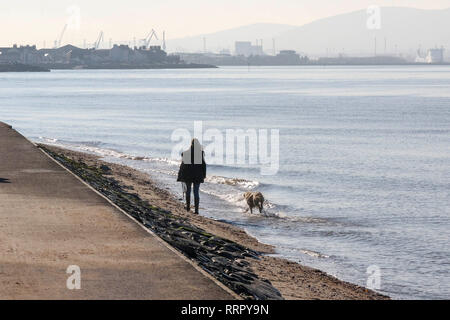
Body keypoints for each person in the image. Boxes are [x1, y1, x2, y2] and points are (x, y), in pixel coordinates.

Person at [177, 138, 206, 214]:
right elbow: (204, 165)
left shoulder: (185, 153)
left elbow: (183, 166)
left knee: (188, 191)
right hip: (197, 175)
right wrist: (204, 175)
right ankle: (196, 211)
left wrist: (180, 175)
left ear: (191, 144)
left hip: (188, 175)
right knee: (196, 192)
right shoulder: (200, 153)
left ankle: (188, 208)